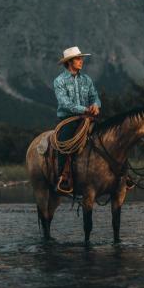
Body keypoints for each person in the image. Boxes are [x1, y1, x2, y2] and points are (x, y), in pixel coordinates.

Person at [53, 46, 101, 186]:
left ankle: (119, 173)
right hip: (68, 119)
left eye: (81, 59)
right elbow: (65, 103)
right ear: (69, 62)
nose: (81, 61)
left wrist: (96, 105)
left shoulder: (87, 79)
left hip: (88, 117)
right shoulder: (59, 81)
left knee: (110, 135)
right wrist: (85, 109)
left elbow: (95, 96)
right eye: (78, 59)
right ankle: (63, 175)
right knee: (64, 142)